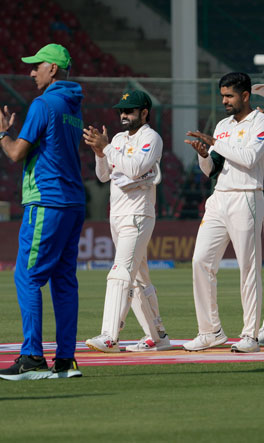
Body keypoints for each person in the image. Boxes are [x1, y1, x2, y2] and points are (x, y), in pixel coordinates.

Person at [0, 43, 85, 380]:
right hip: (73, 203)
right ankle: (66, 361)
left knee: (27, 276)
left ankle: (32, 358)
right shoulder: (72, 105)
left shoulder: (43, 104)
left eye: (36, 65)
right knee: (64, 281)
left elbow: (14, 153)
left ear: (52, 69)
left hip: (47, 201)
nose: (31, 71)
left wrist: (1, 132)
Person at [184, 72, 264, 353]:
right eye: (223, 96)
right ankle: (210, 331)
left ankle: (250, 336)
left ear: (245, 96)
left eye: (229, 96)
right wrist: (203, 154)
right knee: (200, 261)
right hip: (219, 197)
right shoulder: (223, 125)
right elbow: (212, 170)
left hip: (247, 196)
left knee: (248, 267)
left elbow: (249, 159)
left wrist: (214, 142)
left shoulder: (261, 122)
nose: (225, 101)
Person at [82, 90, 171, 353]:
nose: (124, 115)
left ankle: (109, 336)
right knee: (139, 279)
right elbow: (103, 176)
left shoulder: (151, 138)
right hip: (118, 215)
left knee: (120, 272)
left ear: (144, 113)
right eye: (122, 111)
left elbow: (134, 169)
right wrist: (100, 152)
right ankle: (158, 337)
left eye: (130, 111)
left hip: (139, 215)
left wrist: (108, 149)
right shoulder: (118, 139)